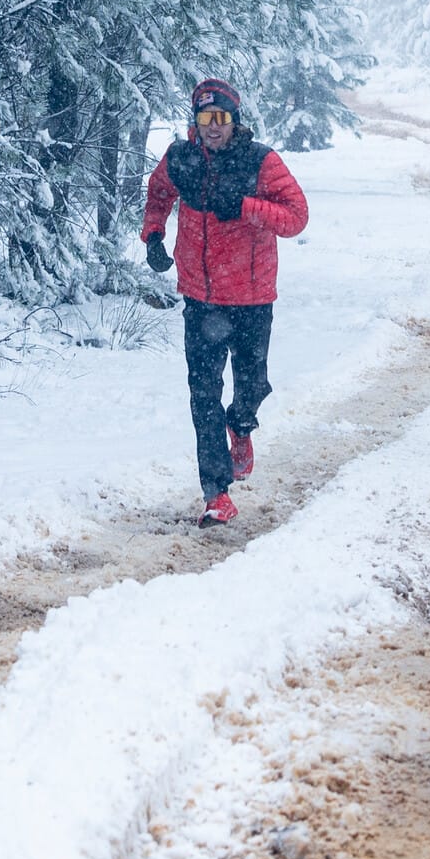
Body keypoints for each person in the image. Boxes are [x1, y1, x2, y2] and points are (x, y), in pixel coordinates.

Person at [141, 78, 308, 526]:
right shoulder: (182, 158)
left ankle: (242, 425)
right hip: (201, 297)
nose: (213, 127)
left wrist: (249, 206)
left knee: (251, 386)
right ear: (195, 120)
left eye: (221, 118)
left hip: (252, 297)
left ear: (235, 119)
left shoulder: (261, 161)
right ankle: (216, 493)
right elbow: (158, 194)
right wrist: (153, 235)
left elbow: (296, 216)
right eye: (205, 117)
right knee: (202, 395)